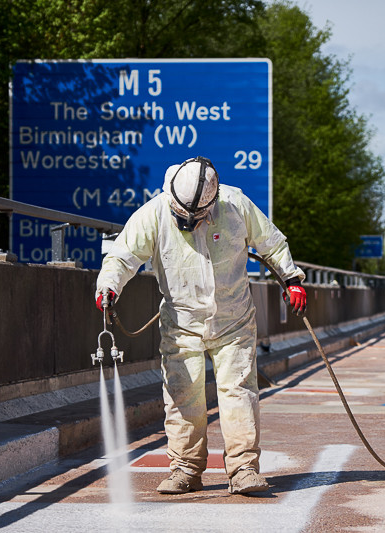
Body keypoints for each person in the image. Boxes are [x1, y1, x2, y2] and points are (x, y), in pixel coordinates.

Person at [95, 156, 306, 495]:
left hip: (234, 319)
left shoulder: (235, 204)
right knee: (183, 396)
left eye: (195, 217)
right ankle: (185, 469)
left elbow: (271, 242)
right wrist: (108, 286)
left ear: (212, 201)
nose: (188, 223)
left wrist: (291, 279)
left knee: (238, 393)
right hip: (182, 323)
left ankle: (243, 470)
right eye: (183, 216)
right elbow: (122, 256)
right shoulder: (154, 213)